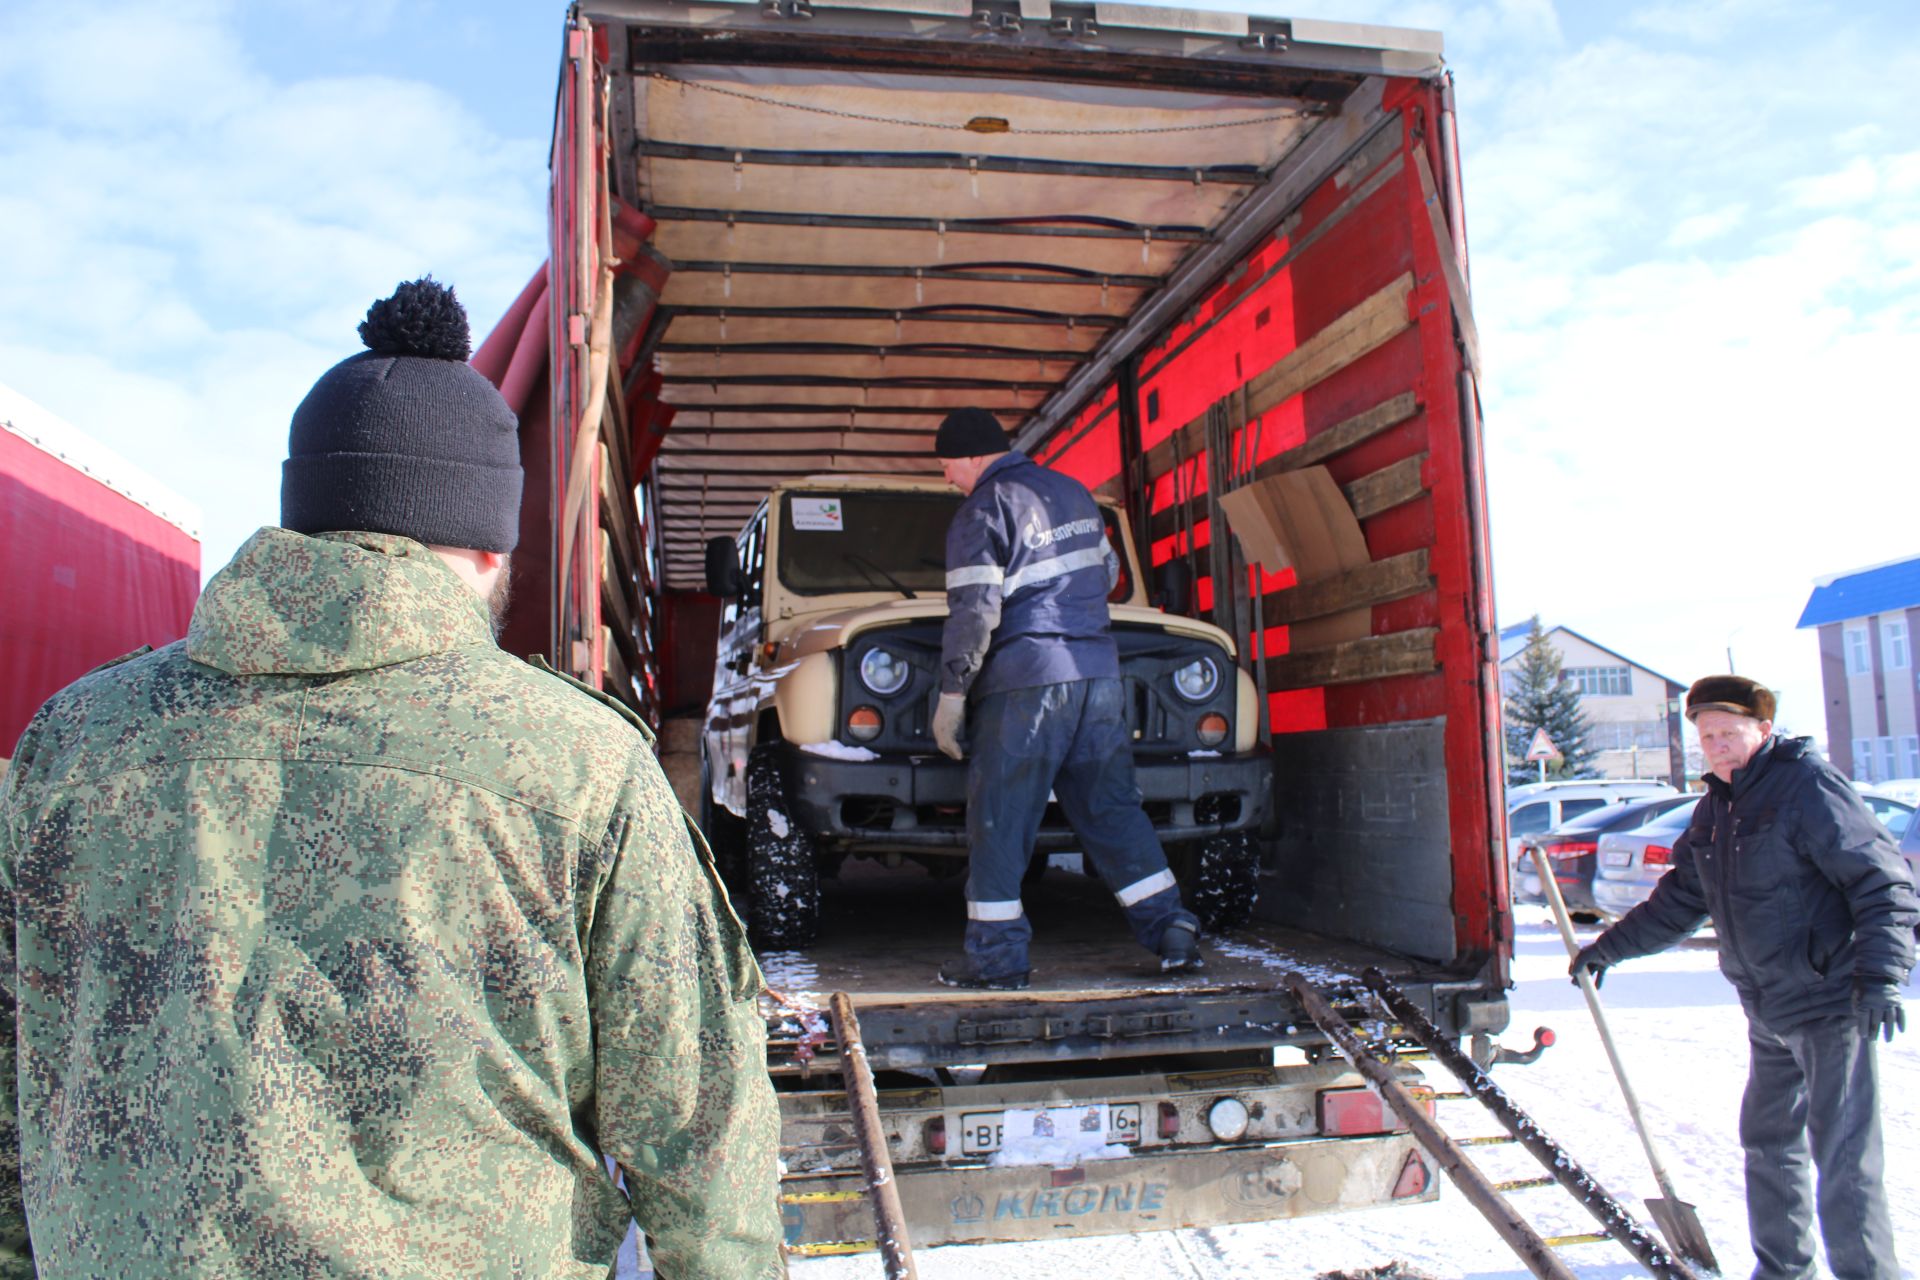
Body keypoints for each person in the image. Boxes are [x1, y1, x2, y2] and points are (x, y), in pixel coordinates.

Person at [0, 280, 785, 1279]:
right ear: (493, 543)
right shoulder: (577, 763)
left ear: (305, 513)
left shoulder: (75, 739)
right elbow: (699, 1123)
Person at [1571, 674, 1915, 1280]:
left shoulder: (1807, 788)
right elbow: (1680, 900)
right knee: (1768, 1148)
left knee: (1843, 1158)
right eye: (1707, 736)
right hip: (1767, 1007)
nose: (1718, 745)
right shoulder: (1717, 808)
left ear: (1763, 729)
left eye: (1730, 732)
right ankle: (1783, 1272)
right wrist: (1608, 949)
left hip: (1830, 1001)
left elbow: (1881, 881)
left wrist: (1883, 975)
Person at [930, 405, 1204, 990]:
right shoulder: (1074, 493)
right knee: (1111, 809)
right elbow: (1105, 577)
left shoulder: (983, 509)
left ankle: (997, 962)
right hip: (1097, 677)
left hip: (1026, 683)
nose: (946, 476)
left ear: (975, 456)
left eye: (948, 464)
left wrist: (952, 691)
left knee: (1002, 820)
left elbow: (976, 612)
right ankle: (1172, 930)